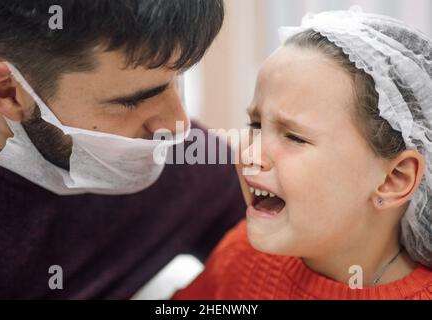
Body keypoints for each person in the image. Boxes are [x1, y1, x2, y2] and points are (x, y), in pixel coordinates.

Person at [0, 0, 245, 299]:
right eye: (133, 100)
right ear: (6, 90)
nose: (178, 124)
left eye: (177, 79)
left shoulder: (186, 164)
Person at [173, 9, 432, 300]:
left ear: (394, 179)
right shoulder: (241, 257)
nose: (250, 154)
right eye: (255, 125)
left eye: (294, 137)